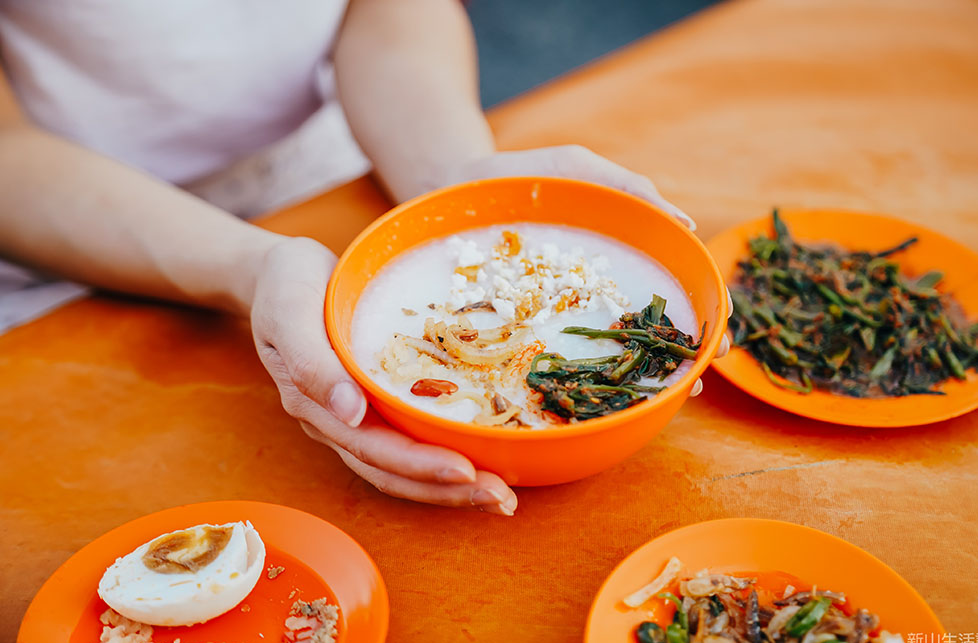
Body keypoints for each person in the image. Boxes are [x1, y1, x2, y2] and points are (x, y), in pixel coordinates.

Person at [0, 0, 727, 515]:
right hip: (73, 237)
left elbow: (388, 8)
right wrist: (251, 266)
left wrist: (450, 175)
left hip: (352, 158)